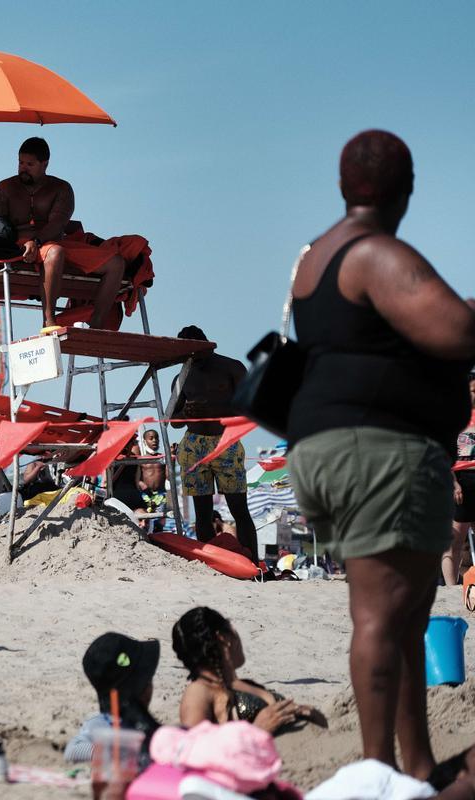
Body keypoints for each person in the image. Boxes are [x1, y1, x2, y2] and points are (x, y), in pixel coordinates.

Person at [287, 130, 475, 778]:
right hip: (376, 447)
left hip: (329, 447)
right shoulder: (374, 254)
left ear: (345, 187)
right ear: (407, 189)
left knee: (405, 610)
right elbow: (456, 329)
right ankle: (376, 774)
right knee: (379, 613)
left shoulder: (316, 255)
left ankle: (414, 767)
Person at [0, 137, 129, 333]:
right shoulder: (5, 189)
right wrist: (22, 243)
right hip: (17, 244)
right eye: (20, 162)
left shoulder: (61, 188)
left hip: (52, 241)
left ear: (45, 164)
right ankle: (49, 321)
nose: (23, 168)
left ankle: (97, 324)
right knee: (55, 253)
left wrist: (37, 241)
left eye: (30, 164)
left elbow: (58, 223)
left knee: (116, 263)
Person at [170, 325, 259, 562]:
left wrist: (217, 410)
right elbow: (173, 421)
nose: (191, 357)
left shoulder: (232, 367)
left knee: (239, 508)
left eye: (194, 351)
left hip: (226, 441)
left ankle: (255, 563)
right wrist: (187, 414)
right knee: (202, 512)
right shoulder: (181, 377)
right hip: (193, 444)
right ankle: (208, 563)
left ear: (206, 345)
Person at [171, 607, 325, 735]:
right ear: (223, 638)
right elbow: (193, 752)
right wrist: (257, 730)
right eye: (230, 625)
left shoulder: (242, 685)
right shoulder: (198, 691)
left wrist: (302, 711)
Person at [64, 632, 162, 764]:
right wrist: (110, 752)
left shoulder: (146, 722)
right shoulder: (103, 723)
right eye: (148, 680)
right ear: (142, 687)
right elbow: (72, 750)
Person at [443, 374, 475, 585]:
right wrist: (453, 481)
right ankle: (450, 586)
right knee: (454, 538)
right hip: (459, 478)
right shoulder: (453, 416)